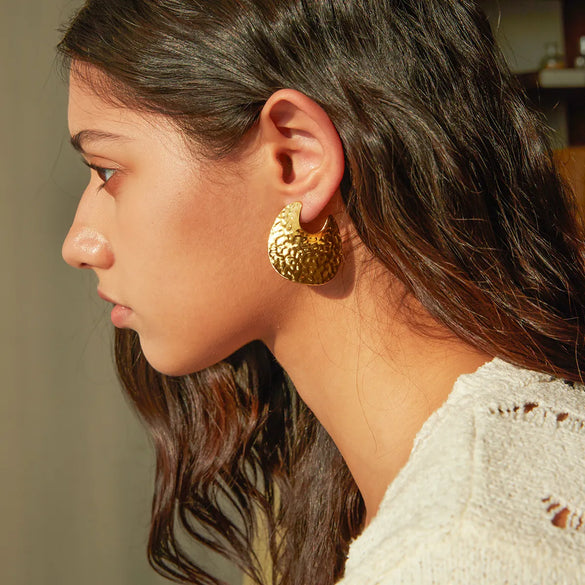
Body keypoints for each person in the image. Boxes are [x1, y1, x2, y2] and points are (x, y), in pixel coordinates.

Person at [58, 0, 585, 583]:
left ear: (296, 159)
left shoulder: (467, 550)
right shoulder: (431, 490)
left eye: (107, 171)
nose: (79, 244)